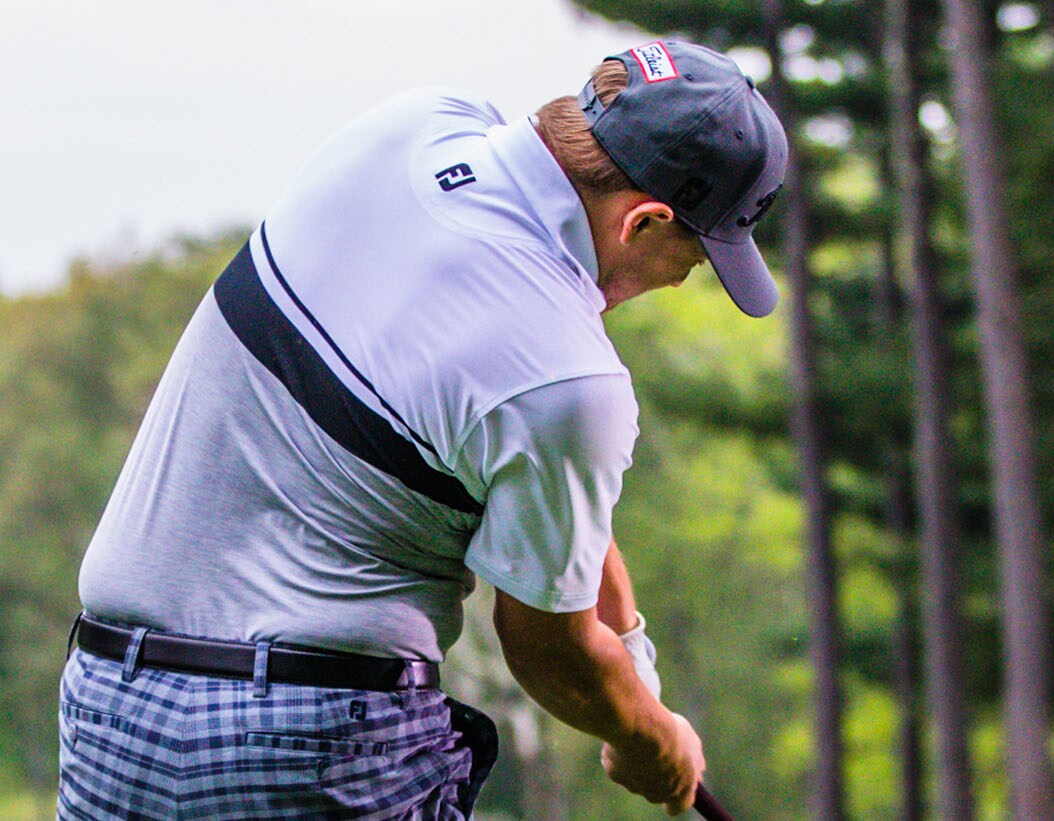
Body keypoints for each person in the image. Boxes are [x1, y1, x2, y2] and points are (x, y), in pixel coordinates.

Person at [59, 39, 787, 819]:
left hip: (109, 707)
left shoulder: (406, 128)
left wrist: (634, 666)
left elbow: (548, 493)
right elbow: (551, 651)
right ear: (644, 222)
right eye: (691, 262)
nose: (673, 283)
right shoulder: (568, 381)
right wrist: (649, 737)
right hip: (311, 741)